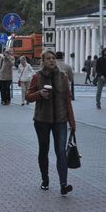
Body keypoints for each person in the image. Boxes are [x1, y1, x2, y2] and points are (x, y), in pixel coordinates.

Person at [26, 49, 76, 195]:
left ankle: (63, 184)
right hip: (42, 120)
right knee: (44, 150)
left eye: (53, 58)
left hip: (60, 120)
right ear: (43, 61)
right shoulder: (37, 77)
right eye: (48, 58)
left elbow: (68, 100)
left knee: (61, 151)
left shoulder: (63, 76)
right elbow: (28, 97)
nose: (52, 60)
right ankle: (45, 180)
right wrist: (39, 94)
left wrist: (72, 122)